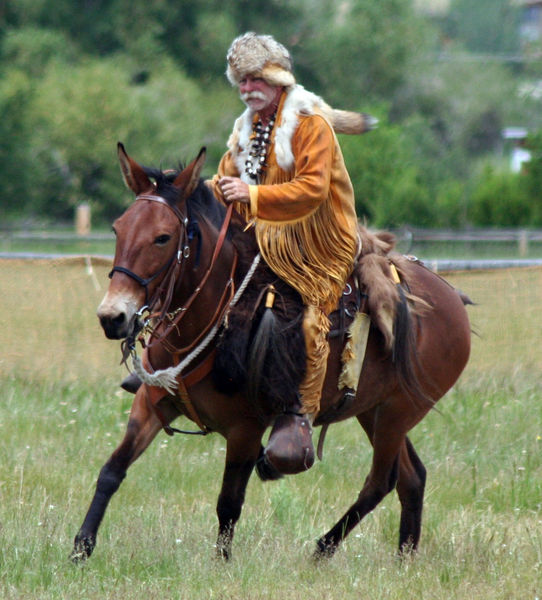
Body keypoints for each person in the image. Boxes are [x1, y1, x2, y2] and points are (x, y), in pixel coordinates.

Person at [208, 32, 375, 474]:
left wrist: (252, 193)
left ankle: (299, 413)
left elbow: (313, 190)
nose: (246, 89)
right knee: (214, 282)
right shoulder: (247, 127)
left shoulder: (311, 124)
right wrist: (183, 194)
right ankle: (176, 374)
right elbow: (224, 177)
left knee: (309, 317)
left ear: (278, 79)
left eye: (254, 79)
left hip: (318, 240)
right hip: (266, 234)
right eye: (240, 82)